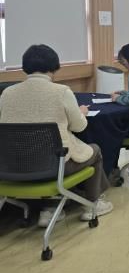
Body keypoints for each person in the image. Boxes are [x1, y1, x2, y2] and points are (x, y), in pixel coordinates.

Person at [0, 45, 113, 226]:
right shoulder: (61, 92)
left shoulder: (7, 93)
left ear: (25, 67)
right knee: (94, 151)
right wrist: (81, 113)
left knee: (45, 153)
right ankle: (93, 204)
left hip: (12, 166)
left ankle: (50, 209)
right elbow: (79, 127)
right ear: (54, 67)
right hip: (53, 166)